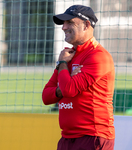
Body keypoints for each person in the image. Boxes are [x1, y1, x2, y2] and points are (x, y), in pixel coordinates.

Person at [42, 5, 115, 150]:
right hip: (67, 138)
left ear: (86, 25)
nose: (63, 27)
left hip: (93, 137)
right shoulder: (68, 54)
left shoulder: (98, 56)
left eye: (69, 22)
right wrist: (63, 84)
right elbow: (46, 96)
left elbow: (69, 90)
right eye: (64, 23)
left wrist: (62, 65)